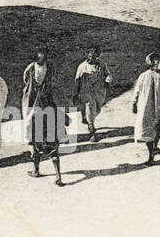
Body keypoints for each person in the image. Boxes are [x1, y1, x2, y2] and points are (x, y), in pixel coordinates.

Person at [22, 51, 64, 186]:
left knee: (35, 146)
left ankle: (36, 171)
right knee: (53, 148)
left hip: (37, 119)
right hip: (49, 117)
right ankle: (57, 176)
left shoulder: (31, 99)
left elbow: (25, 81)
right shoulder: (50, 96)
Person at [131, 54, 160, 166]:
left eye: (157, 62)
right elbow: (137, 91)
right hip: (148, 107)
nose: (156, 64)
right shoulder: (144, 76)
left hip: (158, 106)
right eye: (154, 62)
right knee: (150, 128)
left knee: (157, 127)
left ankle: (153, 149)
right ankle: (151, 154)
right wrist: (134, 103)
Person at [73, 48, 111, 143]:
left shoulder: (102, 65)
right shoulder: (82, 67)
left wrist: (107, 80)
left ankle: (87, 118)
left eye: (94, 56)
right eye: (90, 56)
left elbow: (108, 75)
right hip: (86, 91)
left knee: (97, 109)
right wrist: (75, 93)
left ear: (97, 56)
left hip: (99, 91)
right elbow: (77, 80)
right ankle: (92, 132)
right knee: (90, 109)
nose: (91, 58)